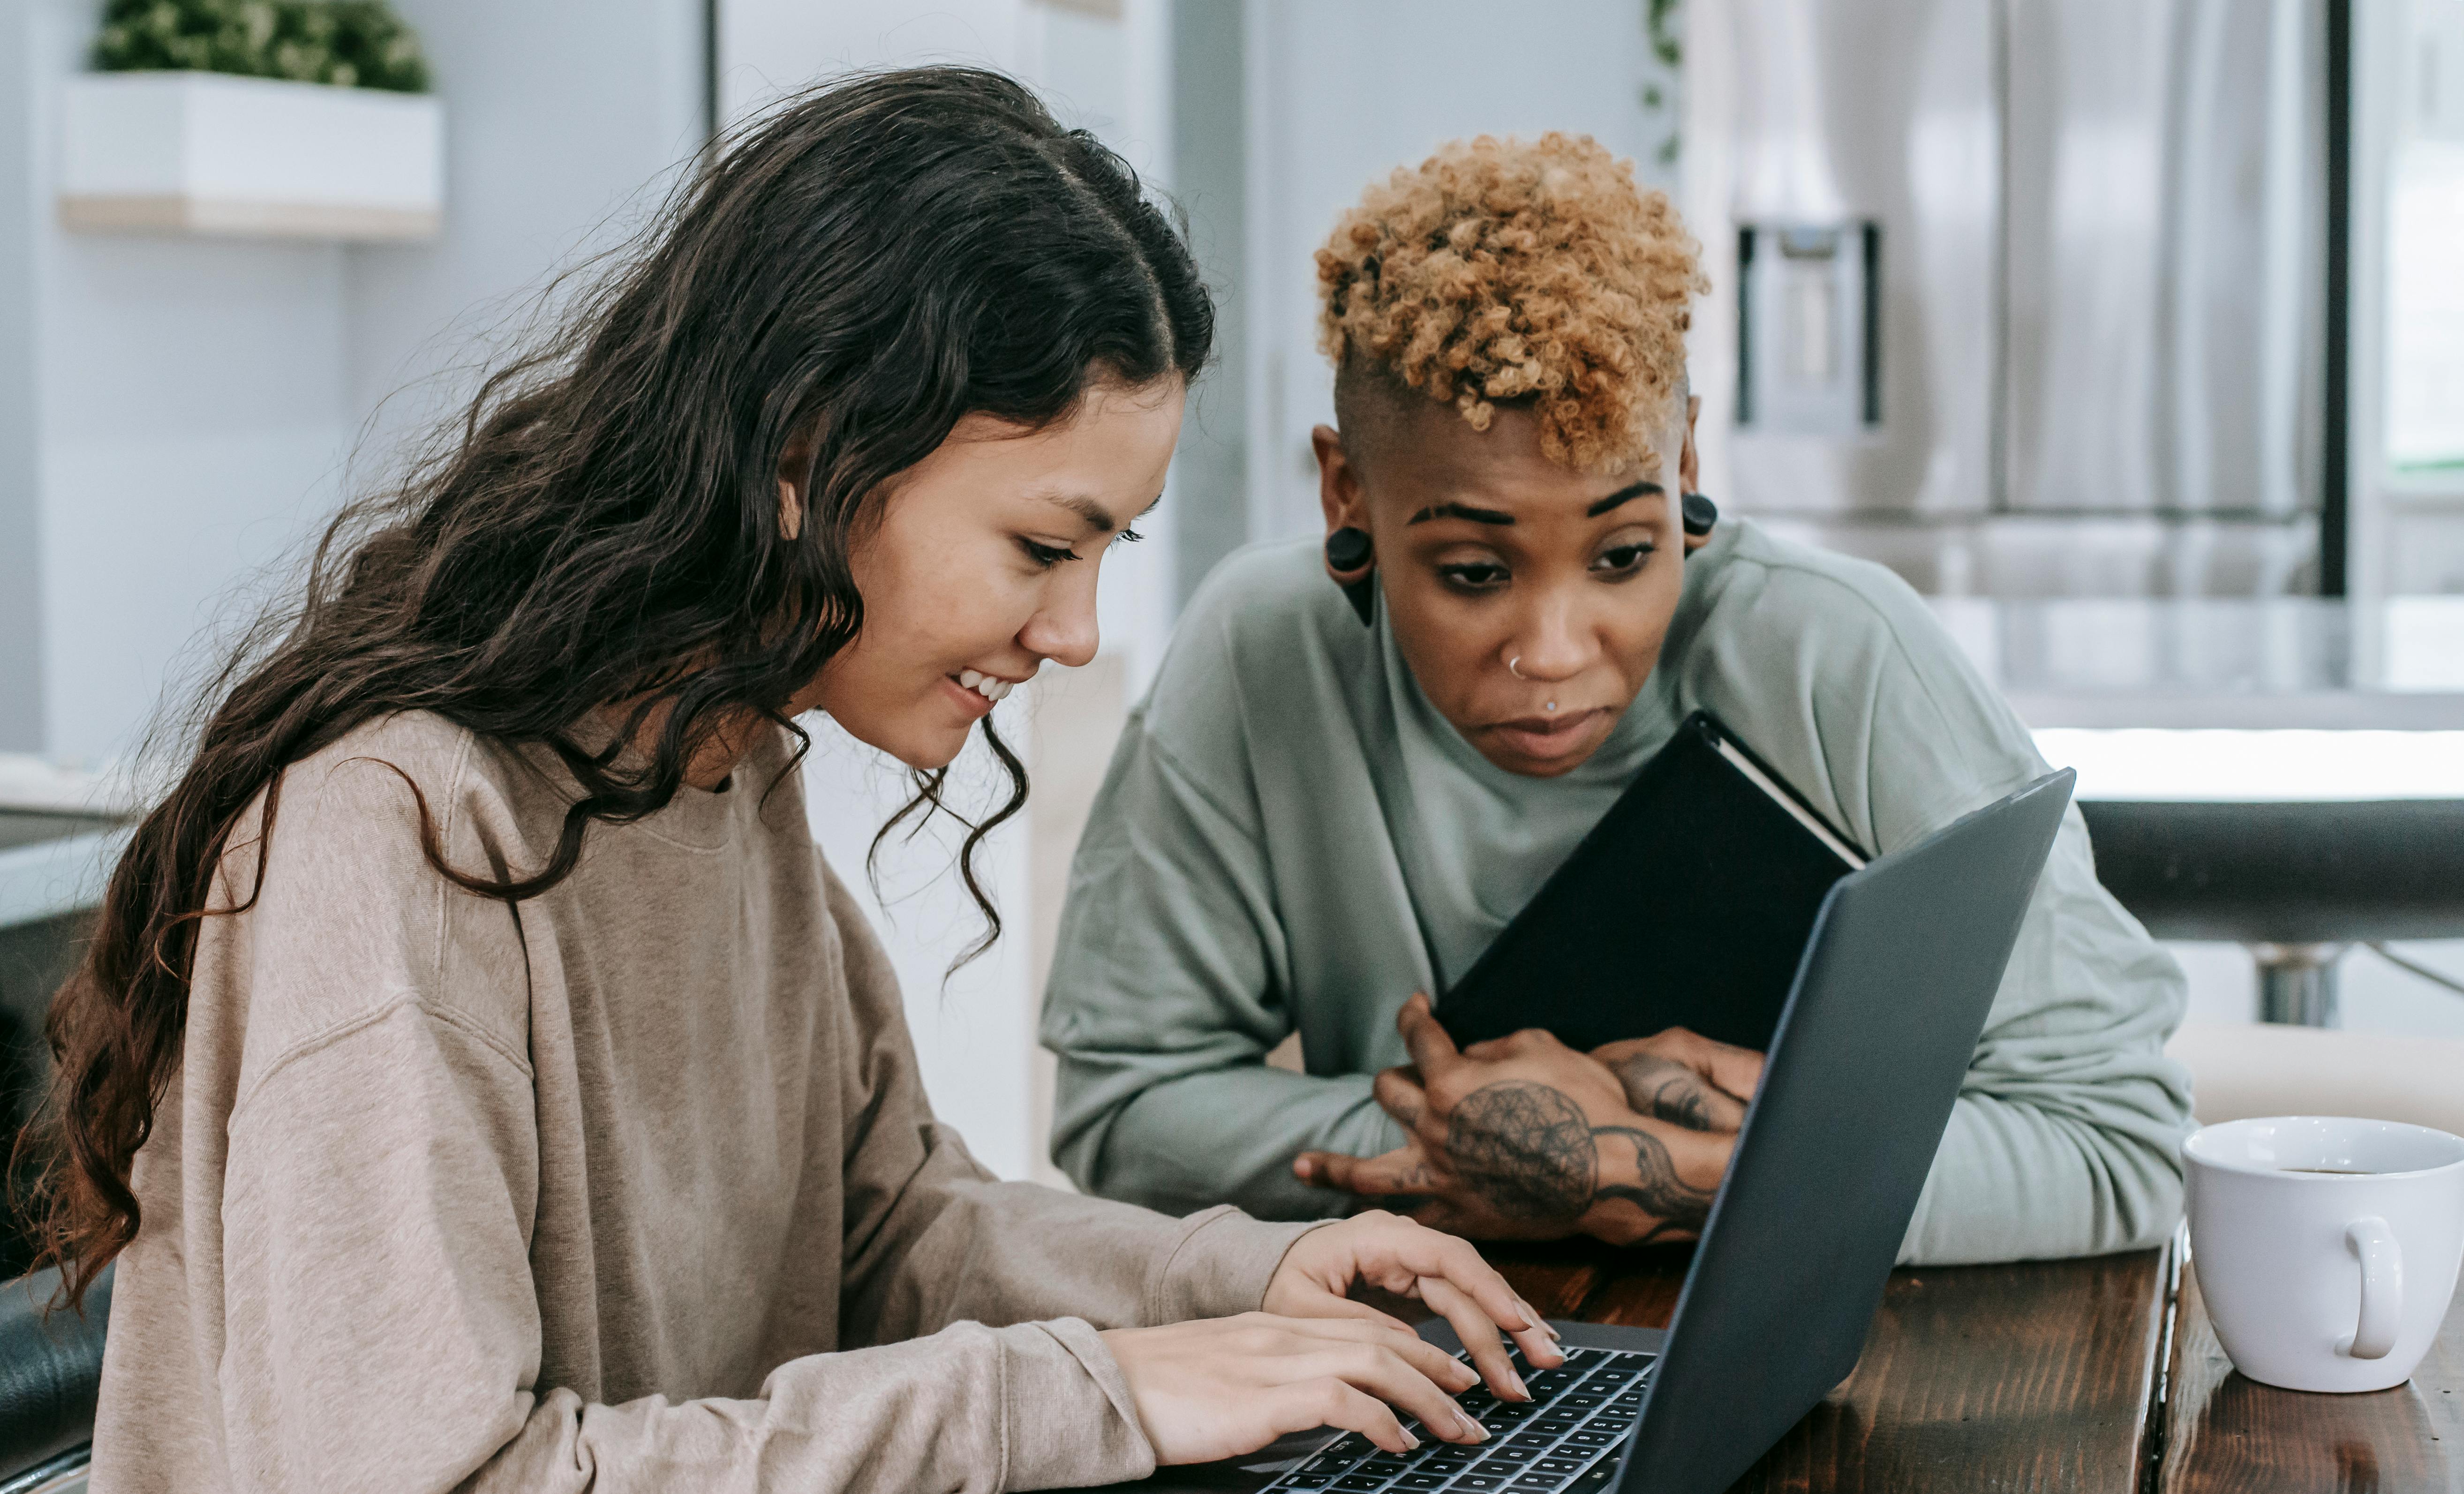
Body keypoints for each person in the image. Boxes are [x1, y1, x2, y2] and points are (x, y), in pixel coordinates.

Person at [29, 71, 1567, 1494]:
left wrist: (1240, 1279)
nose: (1077, 630)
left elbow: (889, 1222)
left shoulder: (718, 765)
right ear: (806, 451)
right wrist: (1088, 1387)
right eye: (1042, 544)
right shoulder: (395, 842)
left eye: (1108, 551)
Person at [1040, 133, 2195, 1265]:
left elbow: (2120, 1143)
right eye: (1474, 574)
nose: (1550, 652)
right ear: (1348, 491)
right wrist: (1495, 1144)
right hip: (1434, 1371)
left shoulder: (1840, 657)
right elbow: (1123, 1112)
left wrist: (1648, 1170)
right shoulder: (1263, 654)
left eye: (1625, 555)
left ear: (1685, 464)